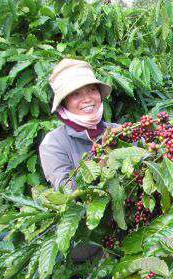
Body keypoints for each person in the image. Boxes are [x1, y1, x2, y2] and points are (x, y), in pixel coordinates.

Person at [39, 58, 118, 192]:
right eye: (76, 94)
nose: (87, 99)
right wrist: (105, 155)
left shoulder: (118, 130)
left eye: (92, 90)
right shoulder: (54, 143)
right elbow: (66, 190)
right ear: (64, 102)